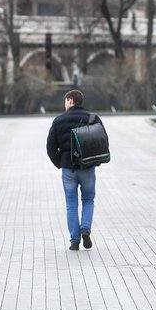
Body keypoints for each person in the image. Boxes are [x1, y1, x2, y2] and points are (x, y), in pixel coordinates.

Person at [46, 89, 102, 251]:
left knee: (71, 204)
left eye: (66, 101)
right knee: (88, 200)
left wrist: (61, 163)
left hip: (68, 169)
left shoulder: (58, 121)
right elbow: (101, 143)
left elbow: (50, 147)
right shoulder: (93, 118)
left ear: (70, 101)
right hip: (87, 168)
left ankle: (75, 240)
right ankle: (85, 228)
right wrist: (94, 162)